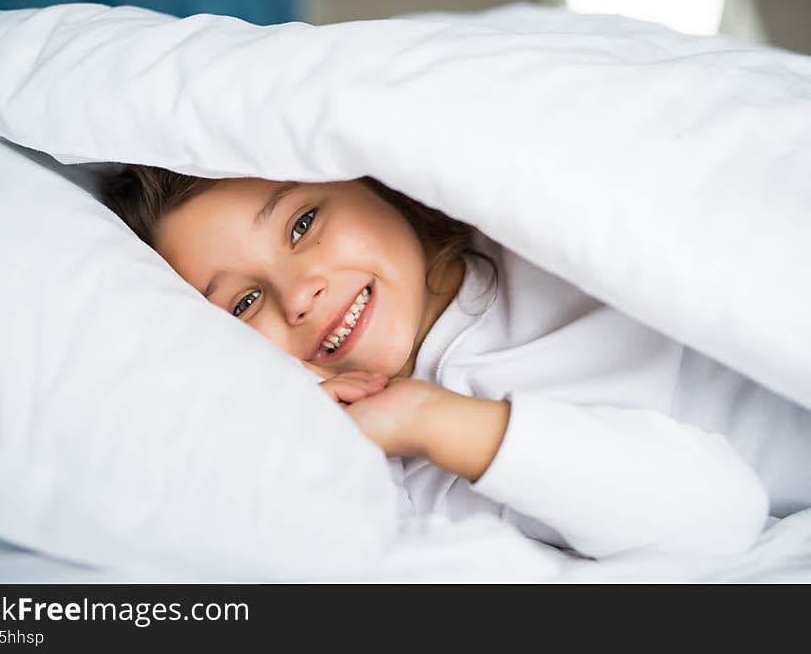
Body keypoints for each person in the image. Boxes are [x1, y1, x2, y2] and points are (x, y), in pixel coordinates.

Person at [100, 165, 811, 560]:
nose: (301, 293)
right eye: (244, 301)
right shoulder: (427, 466)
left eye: (303, 222)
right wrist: (435, 423)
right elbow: (723, 518)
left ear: (370, 180)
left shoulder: (519, 213)